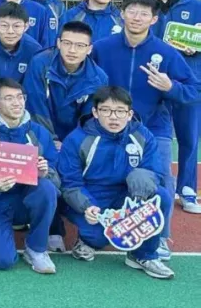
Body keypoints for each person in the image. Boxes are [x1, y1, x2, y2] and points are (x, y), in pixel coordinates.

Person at [92, 0, 199, 257]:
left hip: (154, 127)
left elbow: (194, 89)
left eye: (144, 14)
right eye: (132, 11)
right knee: (101, 175)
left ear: (153, 19)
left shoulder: (167, 52)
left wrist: (170, 87)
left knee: (161, 179)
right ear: (122, 14)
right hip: (108, 126)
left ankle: (160, 236)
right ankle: (94, 228)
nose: (137, 18)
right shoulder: (102, 48)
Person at [59, 86, 174, 279]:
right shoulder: (77, 139)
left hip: (127, 194)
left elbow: (156, 171)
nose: (114, 117)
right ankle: (86, 240)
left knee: (160, 196)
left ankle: (143, 255)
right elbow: (70, 184)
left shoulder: (142, 135)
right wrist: (87, 206)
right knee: (98, 237)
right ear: (95, 112)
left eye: (120, 111)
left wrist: (140, 186)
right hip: (92, 196)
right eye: (106, 110)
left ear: (129, 114)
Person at [0, 79, 60, 274]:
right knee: (3, 261)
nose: (17, 103)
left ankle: (36, 249)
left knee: (46, 187)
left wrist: (46, 173)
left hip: (26, 199)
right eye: (8, 98)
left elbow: (58, 179)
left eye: (20, 97)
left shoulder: (38, 132)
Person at [144, 0, 201, 215]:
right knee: (152, 136)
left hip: (188, 82)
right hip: (153, 83)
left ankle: (187, 188)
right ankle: (152, 184)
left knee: (189, 136)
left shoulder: (196, 6)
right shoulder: (144, 6)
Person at [24, 21, 108, 143]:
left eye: (80, 45)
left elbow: (89, 119)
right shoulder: (40, 64)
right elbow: (36, 107)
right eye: (67, 43)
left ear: (89, 49)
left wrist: (70, 144)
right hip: (40, 134)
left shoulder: (99, 78)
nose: (72, 50)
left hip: (75, 141)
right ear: (58, 43)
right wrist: (50, 140)